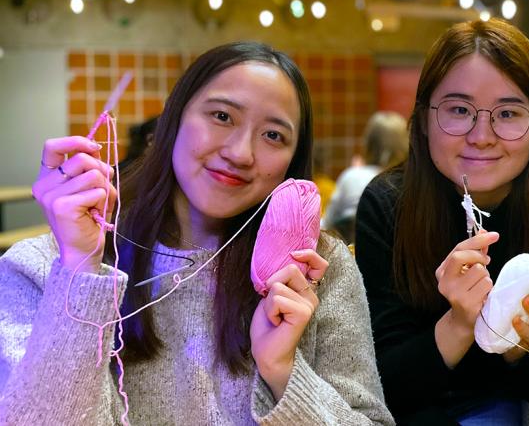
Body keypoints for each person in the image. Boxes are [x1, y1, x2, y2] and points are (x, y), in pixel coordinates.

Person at [0, 42, 394, 425]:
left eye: (273, 135)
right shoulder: (43, 265)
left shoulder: (315, 271)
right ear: (173, 119)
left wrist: (282, 370)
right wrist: (81, 272)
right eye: (222, 116)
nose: (241, 152)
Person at [355, 19, 529, 425]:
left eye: (508, 113)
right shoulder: (389, 204)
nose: (482, 135)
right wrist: (460, 323)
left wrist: (514, 342)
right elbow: (384, 387)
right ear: (423, 118)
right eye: (459, 110)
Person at [323, 111, 409, 243]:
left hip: (349, 252)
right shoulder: (408, 181)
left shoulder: (352, 176)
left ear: (368, 143)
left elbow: (327, 224)